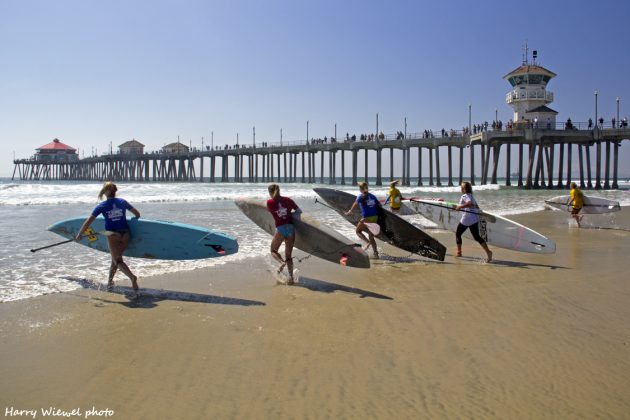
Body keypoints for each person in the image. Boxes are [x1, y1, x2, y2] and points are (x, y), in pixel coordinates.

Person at [76, 182, 141, 296]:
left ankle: (132, 277)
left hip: (112, 234)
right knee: (115, 258)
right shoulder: (122, 202)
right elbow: (137, 214)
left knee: (118, 260)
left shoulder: (102, 206)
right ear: (115, 191)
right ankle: (110, 282)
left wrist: (80, 234)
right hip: (125, 234)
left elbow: (88, 222)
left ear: (105, 192)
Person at [266, 183, 302, 285]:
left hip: (281, 229)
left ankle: (281, 263)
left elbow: (270, 211)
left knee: (273, 250)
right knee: (289, 256)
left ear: (270, 192)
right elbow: (299, 211)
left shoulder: (270, 202)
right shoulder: (288, 200)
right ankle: (291, 278)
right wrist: (289, 214)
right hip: (291, 228)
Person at [454, 181, 492, 262]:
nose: (461, 189)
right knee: (477, 237)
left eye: (461, 187)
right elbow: (476, 206)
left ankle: (459, 252)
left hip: (467, 219)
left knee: (458, 233)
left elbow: (469, 203)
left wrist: (460, 207)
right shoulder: (471, 196)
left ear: (464, 189)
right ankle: (488, 252)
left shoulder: (464, 196)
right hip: (474, 219)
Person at [345, 182, 380, 258]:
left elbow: (355, 203)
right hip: (375, 217)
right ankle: (376, 253)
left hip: (366, 218)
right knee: (371, 236)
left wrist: (350, 211)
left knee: (358, 231)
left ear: (360, 189)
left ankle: (367, 243)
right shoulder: (373, 196)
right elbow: (379, 205)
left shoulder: (361, 196)